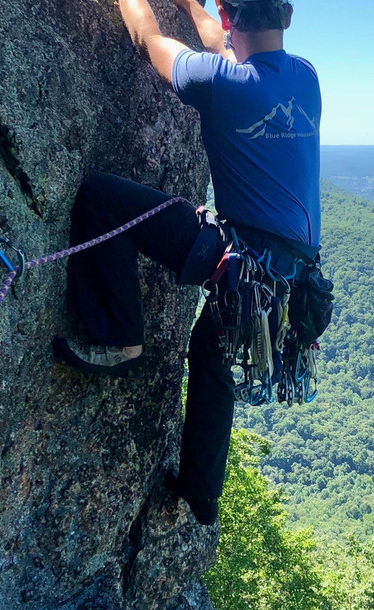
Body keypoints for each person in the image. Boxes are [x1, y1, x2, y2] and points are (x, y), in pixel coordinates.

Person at [53, 0, 321, 525]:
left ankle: (118, 339)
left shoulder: (224, 85)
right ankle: (201, 492)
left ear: (228, 15)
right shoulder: (305, 78)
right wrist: (191, 5)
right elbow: (226, 47)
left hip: (242, 263)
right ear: (286, 17)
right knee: (212, 353)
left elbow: (151, 41)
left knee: (102, 199)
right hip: (290, 280)